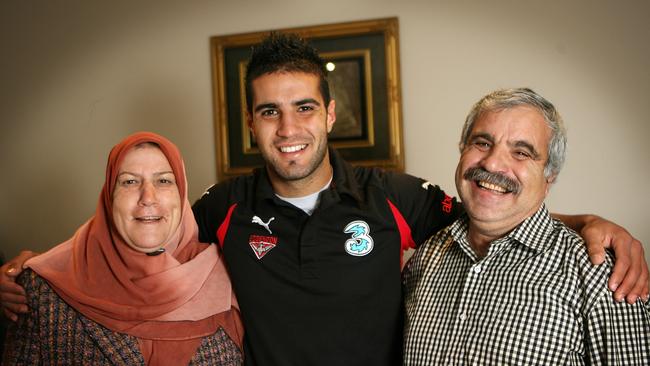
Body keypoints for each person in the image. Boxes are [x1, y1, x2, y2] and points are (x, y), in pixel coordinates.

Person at [1, 34, 648, 365]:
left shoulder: (396, 196)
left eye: (304, 107)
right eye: (269, 112)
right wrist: (45, 270)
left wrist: (584, 221)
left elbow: (491, 213)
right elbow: (141, 233)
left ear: (331, 113)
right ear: (249, 123)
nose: (288, 130)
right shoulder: (224, 205)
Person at [403, 88, 650, 365]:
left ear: (549, 177)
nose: (493, 163)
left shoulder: (600, 276)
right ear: (462, 149)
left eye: (521, 152)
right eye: (482, 143)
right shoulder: (426, 256)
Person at [1, 132, 244, 365]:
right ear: (109, 197)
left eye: (163, 181)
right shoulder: (40, 290)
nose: (147, 197)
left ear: (181, 195)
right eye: (129, 181)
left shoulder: (228, 276)